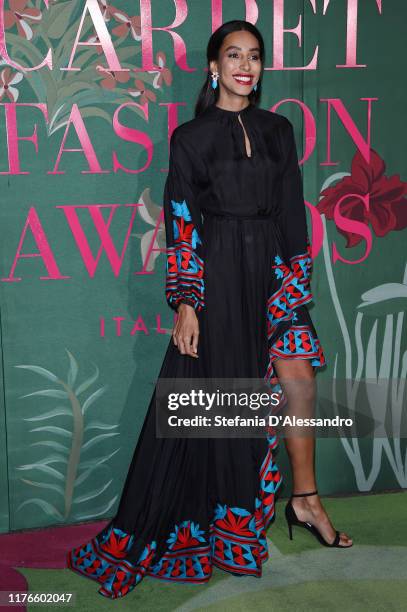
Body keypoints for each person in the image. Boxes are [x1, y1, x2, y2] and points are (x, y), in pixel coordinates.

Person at [66, 20, 352, 600]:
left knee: (297, 378)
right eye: (233, 55)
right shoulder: (190, 137)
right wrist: (187, 301)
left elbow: (292, 211)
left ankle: (306, 499)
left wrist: (296, 278)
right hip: (217, 275)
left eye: (254, 56)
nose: (245, 66)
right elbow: (182, 220)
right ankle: (226, 523)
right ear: (213, 67)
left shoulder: (279, 129)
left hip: (273, 271)